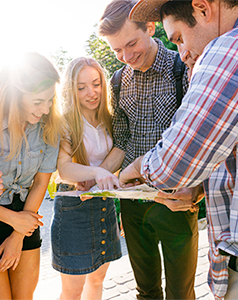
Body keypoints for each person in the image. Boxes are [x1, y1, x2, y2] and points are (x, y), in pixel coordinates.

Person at [122, 0, 238, 299]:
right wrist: (198, 190)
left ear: (202, 8)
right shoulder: (120, 80)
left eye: (179, 38)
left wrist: (136, 169)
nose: (183, 52)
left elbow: (172, 167)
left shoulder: (228, 47)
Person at [98, 1, 203, 299]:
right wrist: (97, 177)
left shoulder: (183, 66)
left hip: (174, 200)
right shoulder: (118, 82)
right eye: (117, 50)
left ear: (150, 27)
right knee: (145, 291)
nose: (126, 57)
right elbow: (121, 143)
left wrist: (194, 190)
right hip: (132, 204)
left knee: (180, 293)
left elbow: (195, 141)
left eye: (131, 44)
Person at [51, 57, 121, 300]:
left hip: (104, 204)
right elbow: (64, 169)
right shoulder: (66, 122)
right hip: (74, 209)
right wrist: (96, 172)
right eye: (81, 87)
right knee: (72, 290)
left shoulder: (109, 118)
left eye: (96, 84)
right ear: (71, 90)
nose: (91, 93)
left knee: (98, 279)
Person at [0, 52, 62, 300]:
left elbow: (40, 184)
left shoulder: (50, 128)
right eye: (38, 102)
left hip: (26, 217)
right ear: (15, 94)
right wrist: (11, 220)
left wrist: (18, 233)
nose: (45, 109)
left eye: (50, 100)